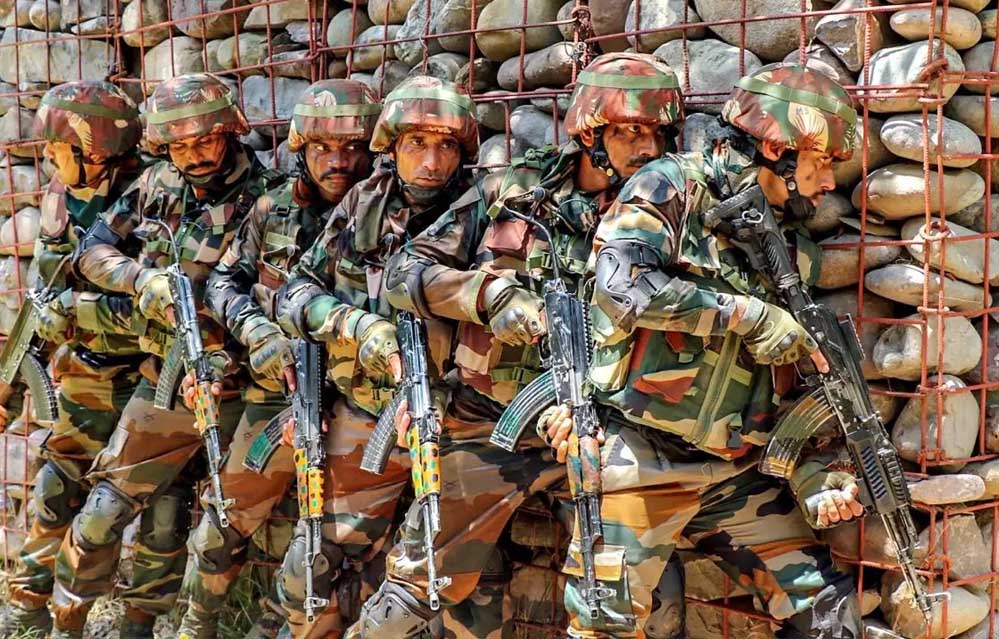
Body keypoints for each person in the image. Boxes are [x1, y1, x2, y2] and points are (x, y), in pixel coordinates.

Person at [350, 52, 685, 638]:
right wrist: (489, 296)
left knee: (645, 605)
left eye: (656, 134)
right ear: (589, 131)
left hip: (604, 434)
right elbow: (407, 274)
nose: (647, 149)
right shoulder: (511, 190)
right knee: (414, 590)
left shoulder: (672, 211)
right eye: (629, 131)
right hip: (487, 424)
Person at [555, 63, 864, 638]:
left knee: (827, 609)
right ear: (777, 148)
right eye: (821, 161)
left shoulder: (786, 245)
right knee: (604, 626)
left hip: (734, 473)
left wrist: (816, 474)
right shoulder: (670, 186)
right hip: (640, 457)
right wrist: (746, 315)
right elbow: (620, 288)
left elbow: (794, 384)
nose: (828, 183)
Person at [49, 73, 282, 639]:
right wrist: (140, 279)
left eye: (205, 140)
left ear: (230, 132)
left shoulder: (270, 197)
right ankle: (65, 622)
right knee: (103, 512)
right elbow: (90, 252)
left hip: (249, 390)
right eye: (179, 145)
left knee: (217, 527)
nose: (193, 156)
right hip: (168, 380)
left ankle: (168, 624)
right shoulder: (158, 183)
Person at [273, 75, 478, 639]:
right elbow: (295, 293)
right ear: (391, 145)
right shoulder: (366, 201)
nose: (431, 162)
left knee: (434, 592)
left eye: (446, 146)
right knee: (307, 571)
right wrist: (355, 326)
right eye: (417, 144)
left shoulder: (481, 211)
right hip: (366, 415)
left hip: (454, 427)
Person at [177, 79, 381, 639]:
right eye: (322, 148)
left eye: (352, 148)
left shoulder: (389, 215)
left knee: (324, 546)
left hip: (361, 409)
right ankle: (195, 626)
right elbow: (223, 282)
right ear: (300, 148)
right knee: (223, 521)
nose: (338, 161)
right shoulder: (275, 209)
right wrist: (257, 330)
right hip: (276, 397)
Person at [0, 81, 147, 639]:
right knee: (54, 488)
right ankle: (26, 605)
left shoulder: (149, 198)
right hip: (88, 372)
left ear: (96, 147)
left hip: (151, 377)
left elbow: (160, 303)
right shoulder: (62, 197)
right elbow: (44, 294)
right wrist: (11, 385)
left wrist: (77, 313)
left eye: (58, 147)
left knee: (117, 510)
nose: (48, 158)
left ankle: (101, 617)